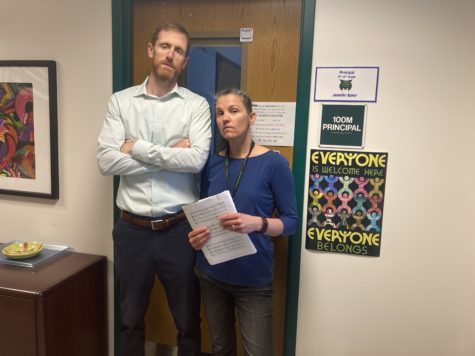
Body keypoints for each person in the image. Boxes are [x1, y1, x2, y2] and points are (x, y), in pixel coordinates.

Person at [97, 22, 211, 356]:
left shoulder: (196, 106)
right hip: (132, 231)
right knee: (130, 321)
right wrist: (173, 152)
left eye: (178, 50)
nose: (170, 54)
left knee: (189, 321)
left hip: (180, 230)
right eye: (165, 46)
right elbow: (107, 163)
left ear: (185, 61)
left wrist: (137, 148)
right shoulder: (121, 102)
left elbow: (196, 161)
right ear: (151, 50)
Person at [188, 88, 298, 356]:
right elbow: (203, 213)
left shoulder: (274, 163)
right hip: (211, 275)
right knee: (221, 349)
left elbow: (292, 222)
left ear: (252, 118)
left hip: (253, 281)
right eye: (220, 113)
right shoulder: (210, 163)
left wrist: (257, 223)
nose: (226, 118)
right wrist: (195, 237)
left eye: (234, 111)